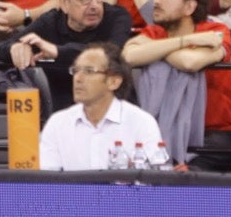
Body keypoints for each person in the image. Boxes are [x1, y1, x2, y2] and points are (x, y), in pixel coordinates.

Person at [122, 0, 231, 168]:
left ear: (189, 6)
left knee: (186, 172)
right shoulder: (156, 31)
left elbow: (190, 63)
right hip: (163, 132)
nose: (156, 1)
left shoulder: (216, 31)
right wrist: (188, 40)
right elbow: (128, 56)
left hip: (219, 135)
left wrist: (154, 49)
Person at [0, 0, 131, 111]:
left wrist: (57, 51)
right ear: (64, 3)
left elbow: (110, 54)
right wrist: (14, 48)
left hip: (111, 110)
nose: (94, 5)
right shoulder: (51, 21)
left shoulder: (117, 17)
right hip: (58, 115)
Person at [38, 42, 162, 170]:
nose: (78, 78)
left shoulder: (141, 122)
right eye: (75, 70)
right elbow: (47, 181)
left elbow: (152, 180)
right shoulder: (58, 123)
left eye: (89, 71)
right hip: (71, 191)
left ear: (114, 82)